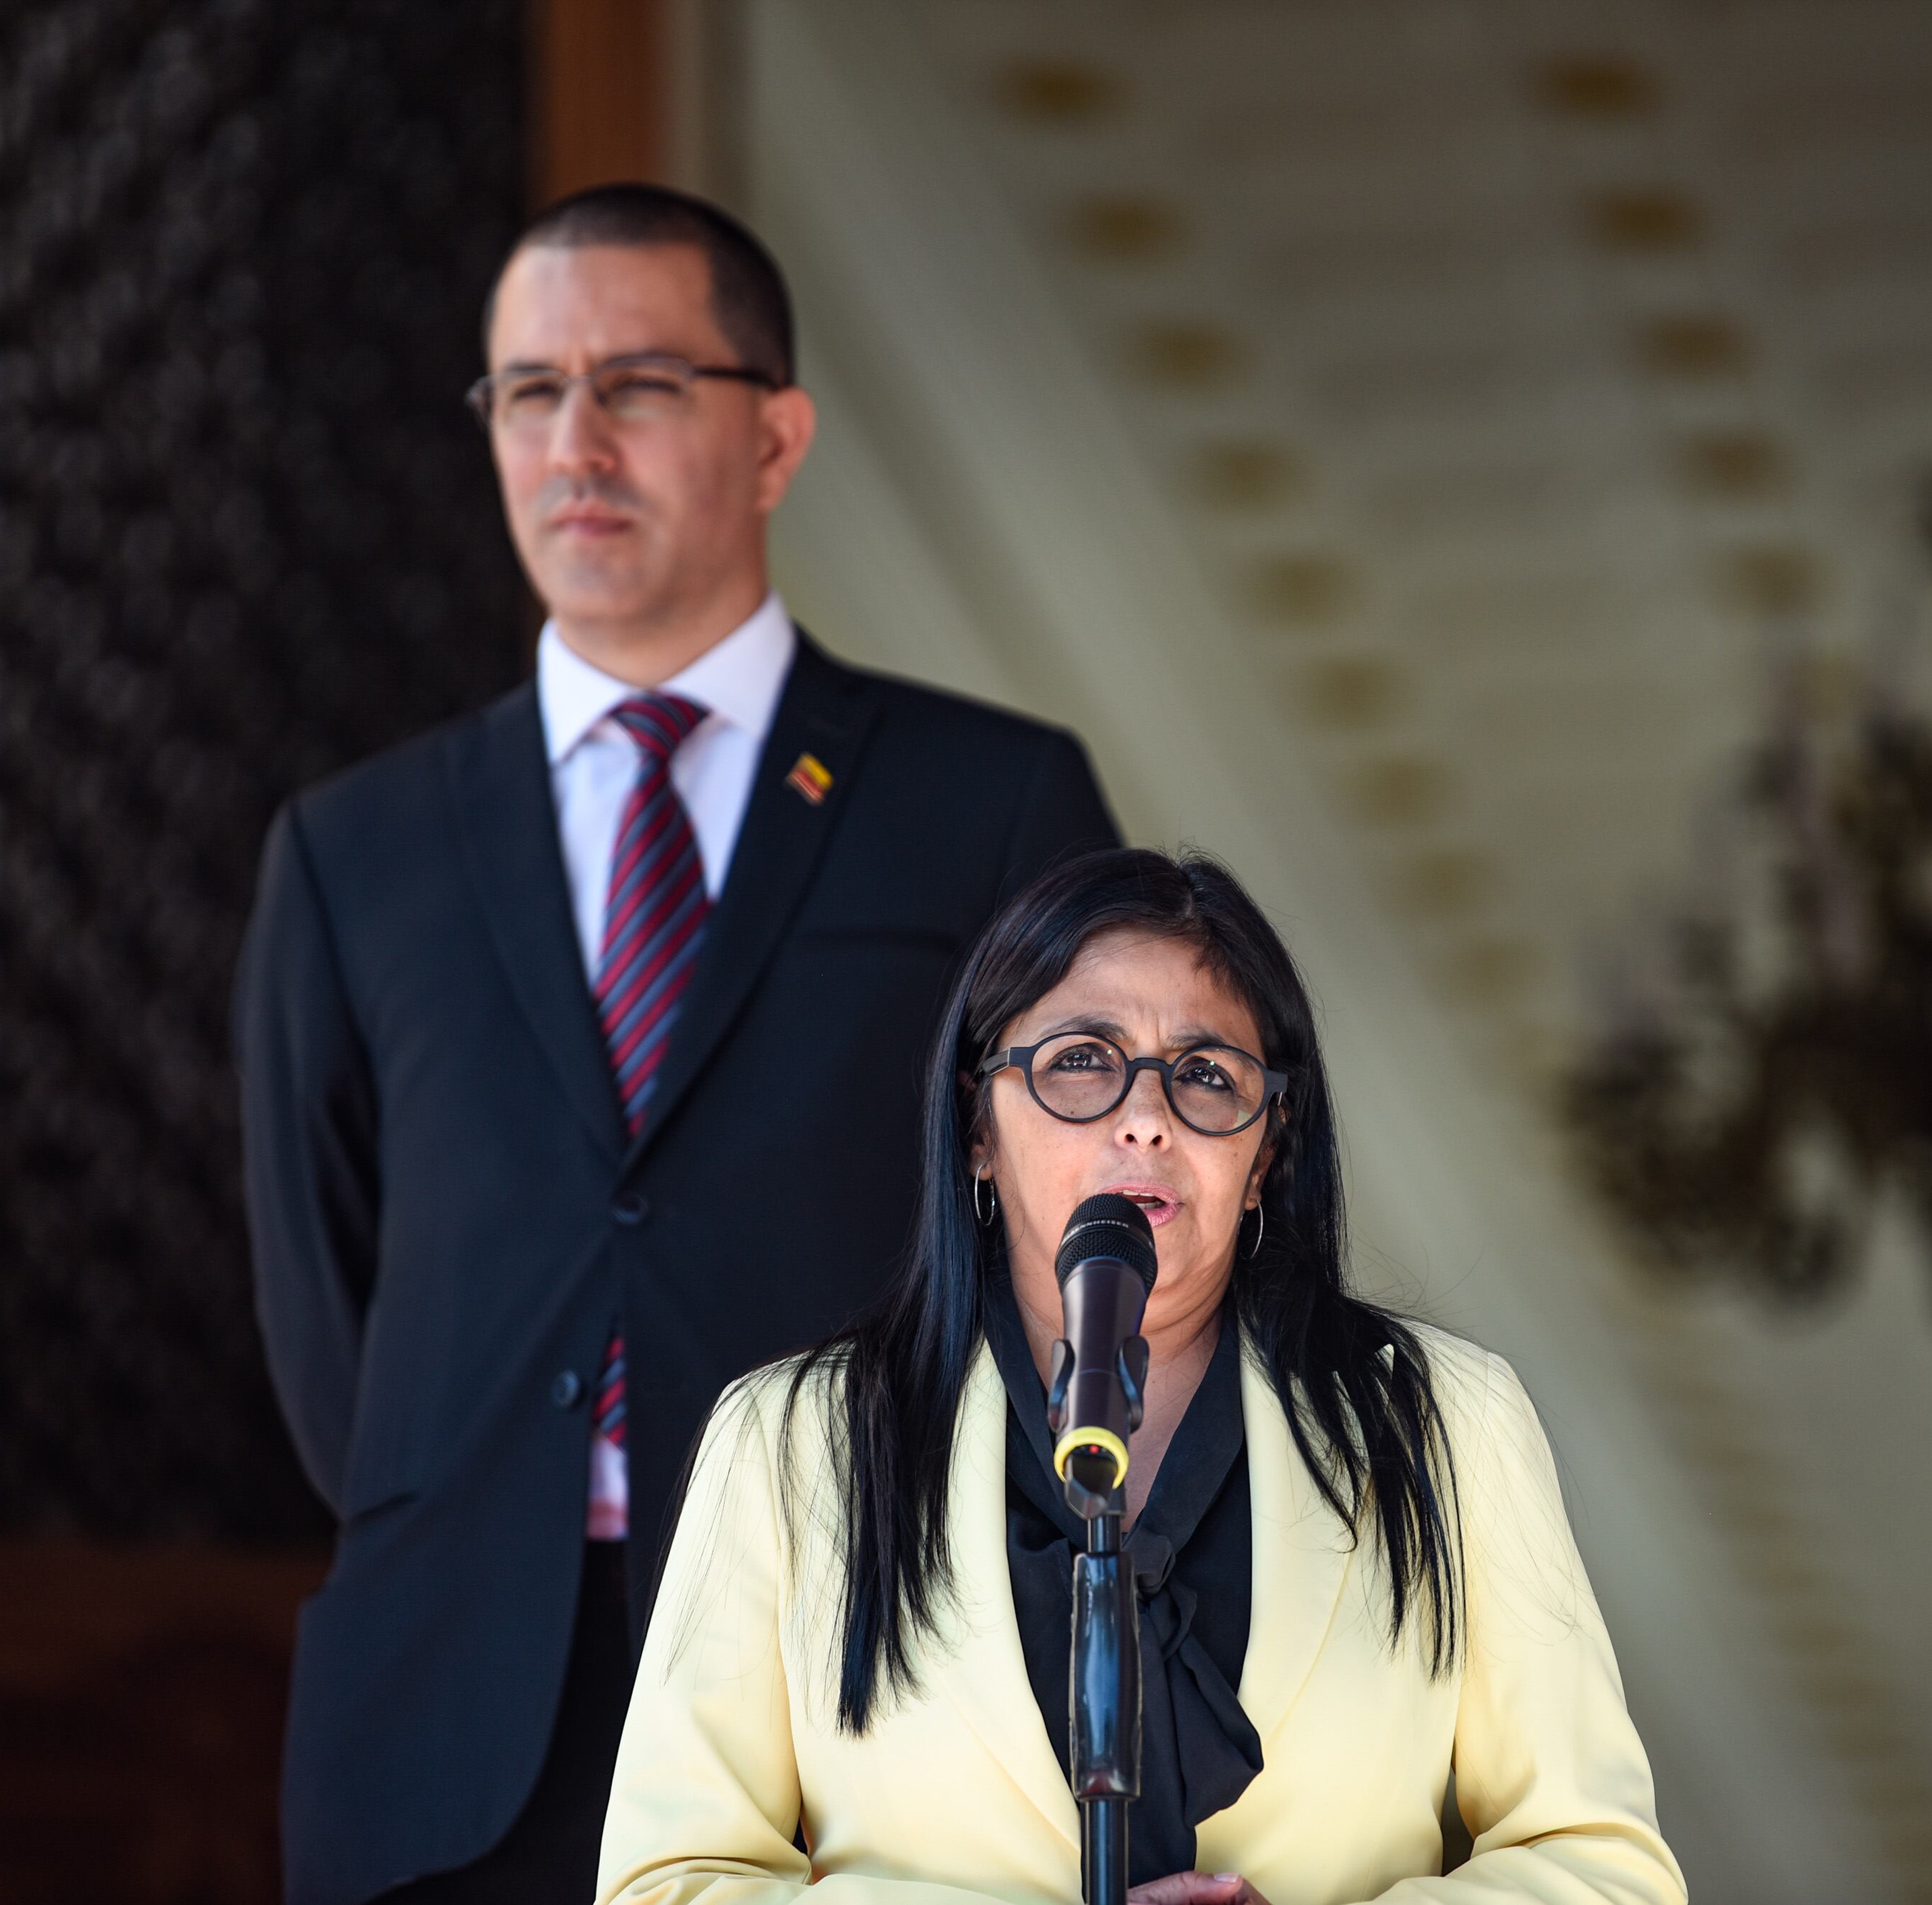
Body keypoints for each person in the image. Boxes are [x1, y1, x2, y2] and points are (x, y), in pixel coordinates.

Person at [235, 185, 1117, 1905]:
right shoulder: (356, 851)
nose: (574, 442)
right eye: (526, 392)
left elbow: (1096, 1229)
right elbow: (322, 1293)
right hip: (440, 1730)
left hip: (869, 1697)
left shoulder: (988, 802)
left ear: (775, 435)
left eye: (637, 384)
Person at [600, 849, 1684, 1904]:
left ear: (1267, 1150)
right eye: (1082, 1059)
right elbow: (666, 1883)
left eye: (1207, 1076)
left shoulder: (1445, 1424)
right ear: (978, 1123)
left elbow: (1602, 1868)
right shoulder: (794, 1443)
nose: (1146, 1118)